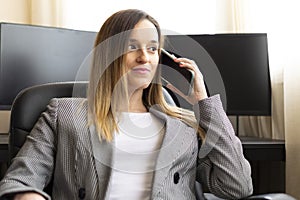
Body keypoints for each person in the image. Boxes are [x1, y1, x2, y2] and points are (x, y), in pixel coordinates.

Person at [0, 9, 253, 200]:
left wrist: (204, 103)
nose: (144, 57)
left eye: (153, 49)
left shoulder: (184, 125)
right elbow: (20, 179)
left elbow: (237, 185)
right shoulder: (63, 114)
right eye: (133, 46)